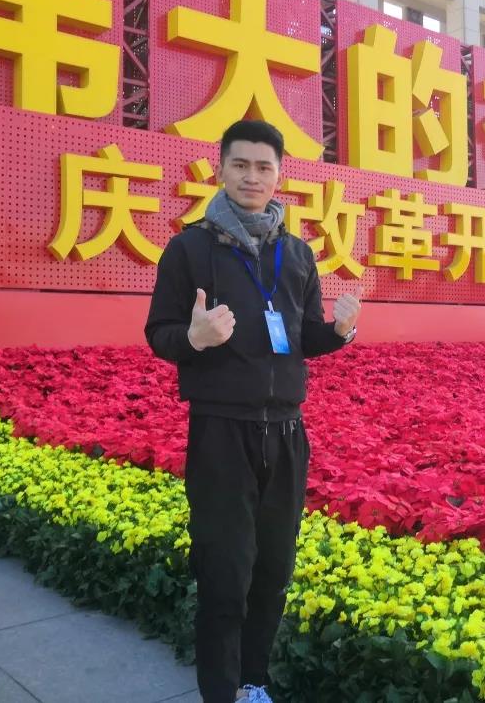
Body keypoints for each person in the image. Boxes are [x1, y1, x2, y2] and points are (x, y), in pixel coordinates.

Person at [145, 120, 362, 703]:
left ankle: (253, 683)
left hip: (287, 433)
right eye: (240, 165)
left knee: (272, 571)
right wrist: (194, 338)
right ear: (221, 169)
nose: (252, 176)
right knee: (224, 573)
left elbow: (301, 337)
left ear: (279, 175)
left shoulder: (297, 254)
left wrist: (339, 331)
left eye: (264, 167)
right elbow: (159, 333)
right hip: (221, 432)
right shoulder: (189, 249)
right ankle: (220, 692)